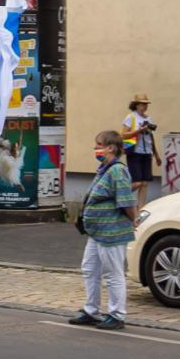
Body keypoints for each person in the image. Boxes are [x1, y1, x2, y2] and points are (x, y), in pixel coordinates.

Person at [70, 129, 138, 331]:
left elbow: (126, 201)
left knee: (113, 273)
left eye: (99, 145)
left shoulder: (118, 170)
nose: (95, 148)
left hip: (112, 232)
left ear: (111, 148)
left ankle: (117, 315)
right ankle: (91, 310)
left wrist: (133, 219)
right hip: (97, 232)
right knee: (90, 269)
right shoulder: (105, 168)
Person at [121, 95, 157, 214]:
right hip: (134, 151)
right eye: (142, 104)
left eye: (146, 104)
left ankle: (140, 209)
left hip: (146, 152)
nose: (145, 106)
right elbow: (123, 135)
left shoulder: (148, 118)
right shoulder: (130, 117)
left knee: (145, 183)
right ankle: (119, 196)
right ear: (136, 105)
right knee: (137, 182)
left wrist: (156, 155)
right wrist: (139, 130)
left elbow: (151, 137)